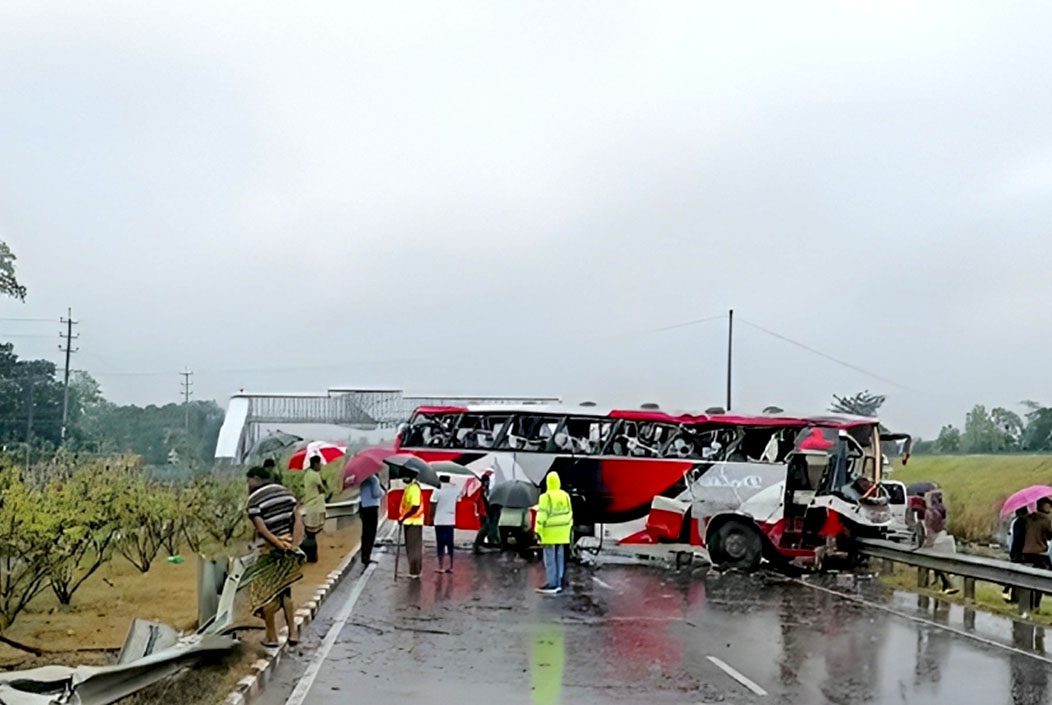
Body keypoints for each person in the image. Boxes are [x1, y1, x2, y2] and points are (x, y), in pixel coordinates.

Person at [242, 466, 305, 648]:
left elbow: (261, 529)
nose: (247, 485)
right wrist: (292, 545)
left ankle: (272, 637)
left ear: (255, 479)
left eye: (248, 481)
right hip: (287, 546)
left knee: (265, 594)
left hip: (268, 551)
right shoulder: (286, 493)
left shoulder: (254, 500)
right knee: (285, 590)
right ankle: (293, 632)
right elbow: (298, 520)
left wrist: (276, 544)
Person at [535, 471, 573, 595]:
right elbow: (569, 514)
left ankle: (552, 584)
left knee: (550, 559)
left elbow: (542, 516)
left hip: (550, 533)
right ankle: (559, 582)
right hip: (563, 533)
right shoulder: (565, 496)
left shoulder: (545, 497)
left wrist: (538, 531)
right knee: (560, 557)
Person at [923, 490, 959, 595]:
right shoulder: (943, 510)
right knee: (941, 564)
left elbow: (929, 529)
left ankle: (947, 584)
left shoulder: (930, 512)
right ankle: (942, 585)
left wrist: (927, 542)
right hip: (944, 537)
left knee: (937, 564)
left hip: (935, 539)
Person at [1021, 497, 1052, 611]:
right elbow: (1050, 535)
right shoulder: (1046, 520)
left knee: (1027, 581)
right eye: (1049, 505)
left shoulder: (1028, 519)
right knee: (1039, 582)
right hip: (1039, 554)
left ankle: (1026, 604)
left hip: (1026, 552)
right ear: (1044, 506)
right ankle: (1036, 605)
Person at [300, 455, 327, 563]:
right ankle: (312, 557)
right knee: (312, 533)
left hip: (309, 505)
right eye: (319, 464)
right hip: (315, 505)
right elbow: (322, 489)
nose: (320, 466)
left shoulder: (307, 474)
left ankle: (310, 555)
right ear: (315, 464)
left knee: (310, 532)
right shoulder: (315, 475)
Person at [398, 469, 424, 579]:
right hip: (409, 521)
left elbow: (415, 506)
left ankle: (415, 571)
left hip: (414, 521)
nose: (403, 479)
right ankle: (414, 570)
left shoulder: (414, 489)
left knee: (413, 547)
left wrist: (404, 517)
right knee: (411, 547)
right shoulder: (410, 487)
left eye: (404, 476)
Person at [432, 474, 458, 573]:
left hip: (439, 520)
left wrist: (430, 518)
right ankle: (451, 566)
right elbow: (462, 494)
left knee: (440, 544)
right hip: (450, 520)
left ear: (439, 480)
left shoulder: (437, 490)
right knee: (450, 544)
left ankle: (441, 566)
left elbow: (432, 503)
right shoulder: (454, 490)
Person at [1003, 506, 1030, 603]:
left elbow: (1011, 537)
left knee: (1015, 574)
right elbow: (1018, 539)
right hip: (1018, 552)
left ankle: (1010, 594)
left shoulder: (1015, 522)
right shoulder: (1020, 523)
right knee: (1016, 575)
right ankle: (1008, 592)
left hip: (1014, 551)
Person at [358, 472, 384, 569]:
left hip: (363, 506)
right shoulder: (373, 479)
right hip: (372, 507)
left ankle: (364, 555)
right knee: (371, 533)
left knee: (365, 532)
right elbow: (376, 493)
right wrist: (383, 492)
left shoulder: (363, 478)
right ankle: (367, 556)